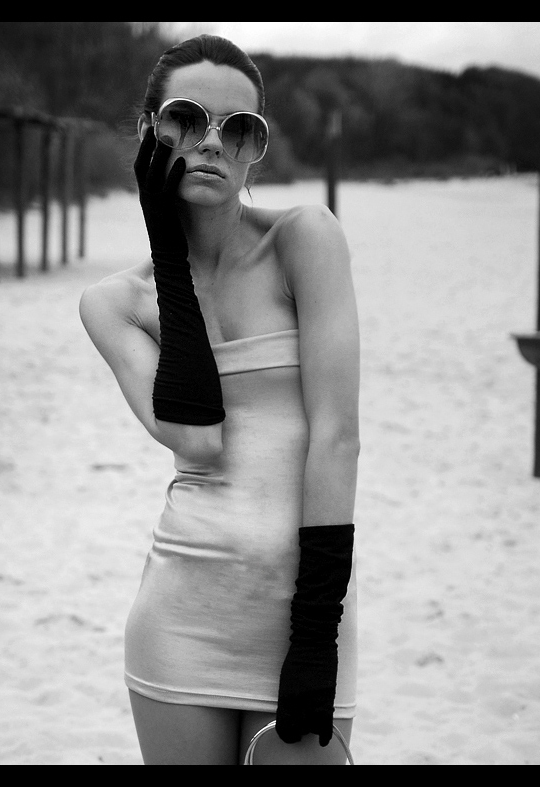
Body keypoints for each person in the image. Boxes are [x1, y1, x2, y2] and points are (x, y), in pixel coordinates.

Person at [79, 34, 360, 766]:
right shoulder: (115, 304)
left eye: (238, 128)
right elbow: (197, 437)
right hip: (181, 620)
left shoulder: (305, 240)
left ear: (255, 150)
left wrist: (315, 636)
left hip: (307, 612)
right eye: (186, 119)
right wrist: (169, 254)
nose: (211, 143)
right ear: (149, 132)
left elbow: (337, 435)